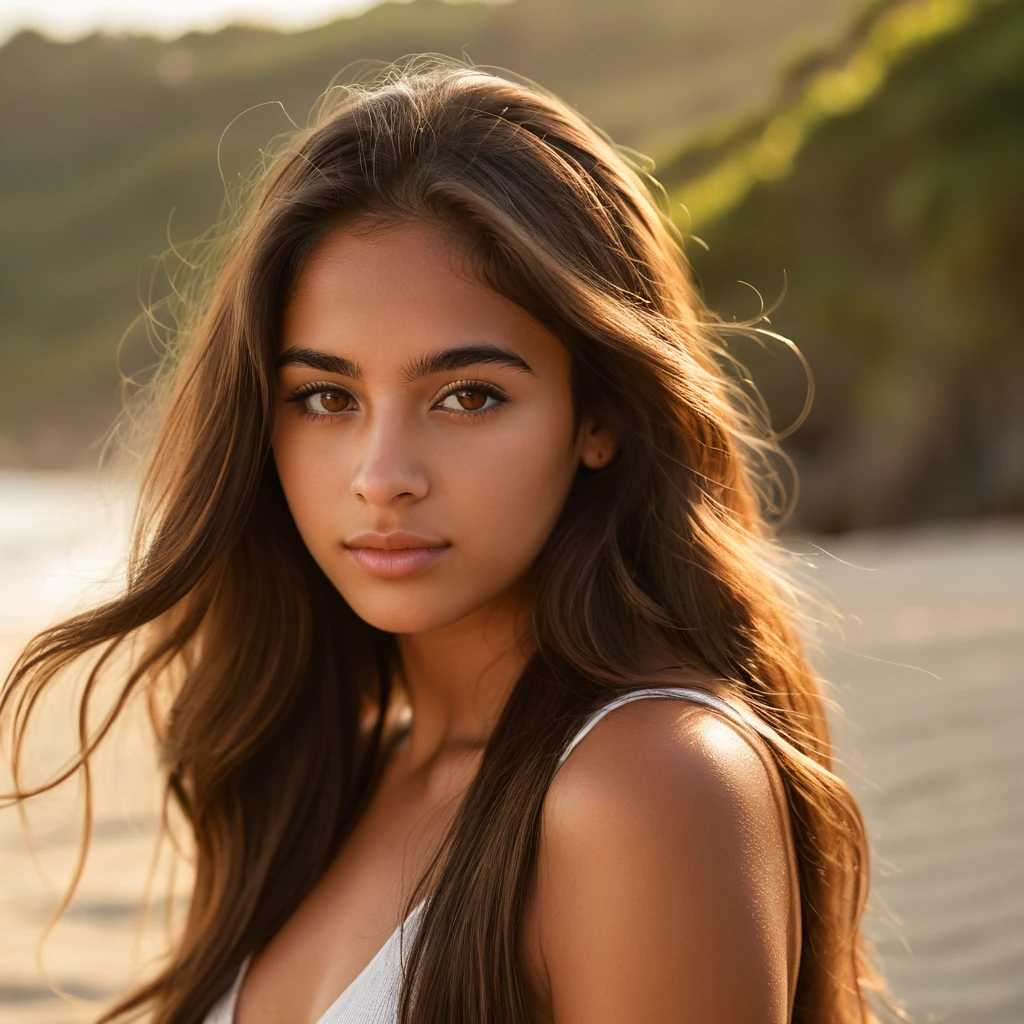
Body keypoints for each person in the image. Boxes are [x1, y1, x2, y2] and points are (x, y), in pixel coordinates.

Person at [1, 56, 892, 1024]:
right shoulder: (323, 773)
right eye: (326, 397)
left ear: (597, 416)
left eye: (469, 396)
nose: (381, 474)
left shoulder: (648, 780)